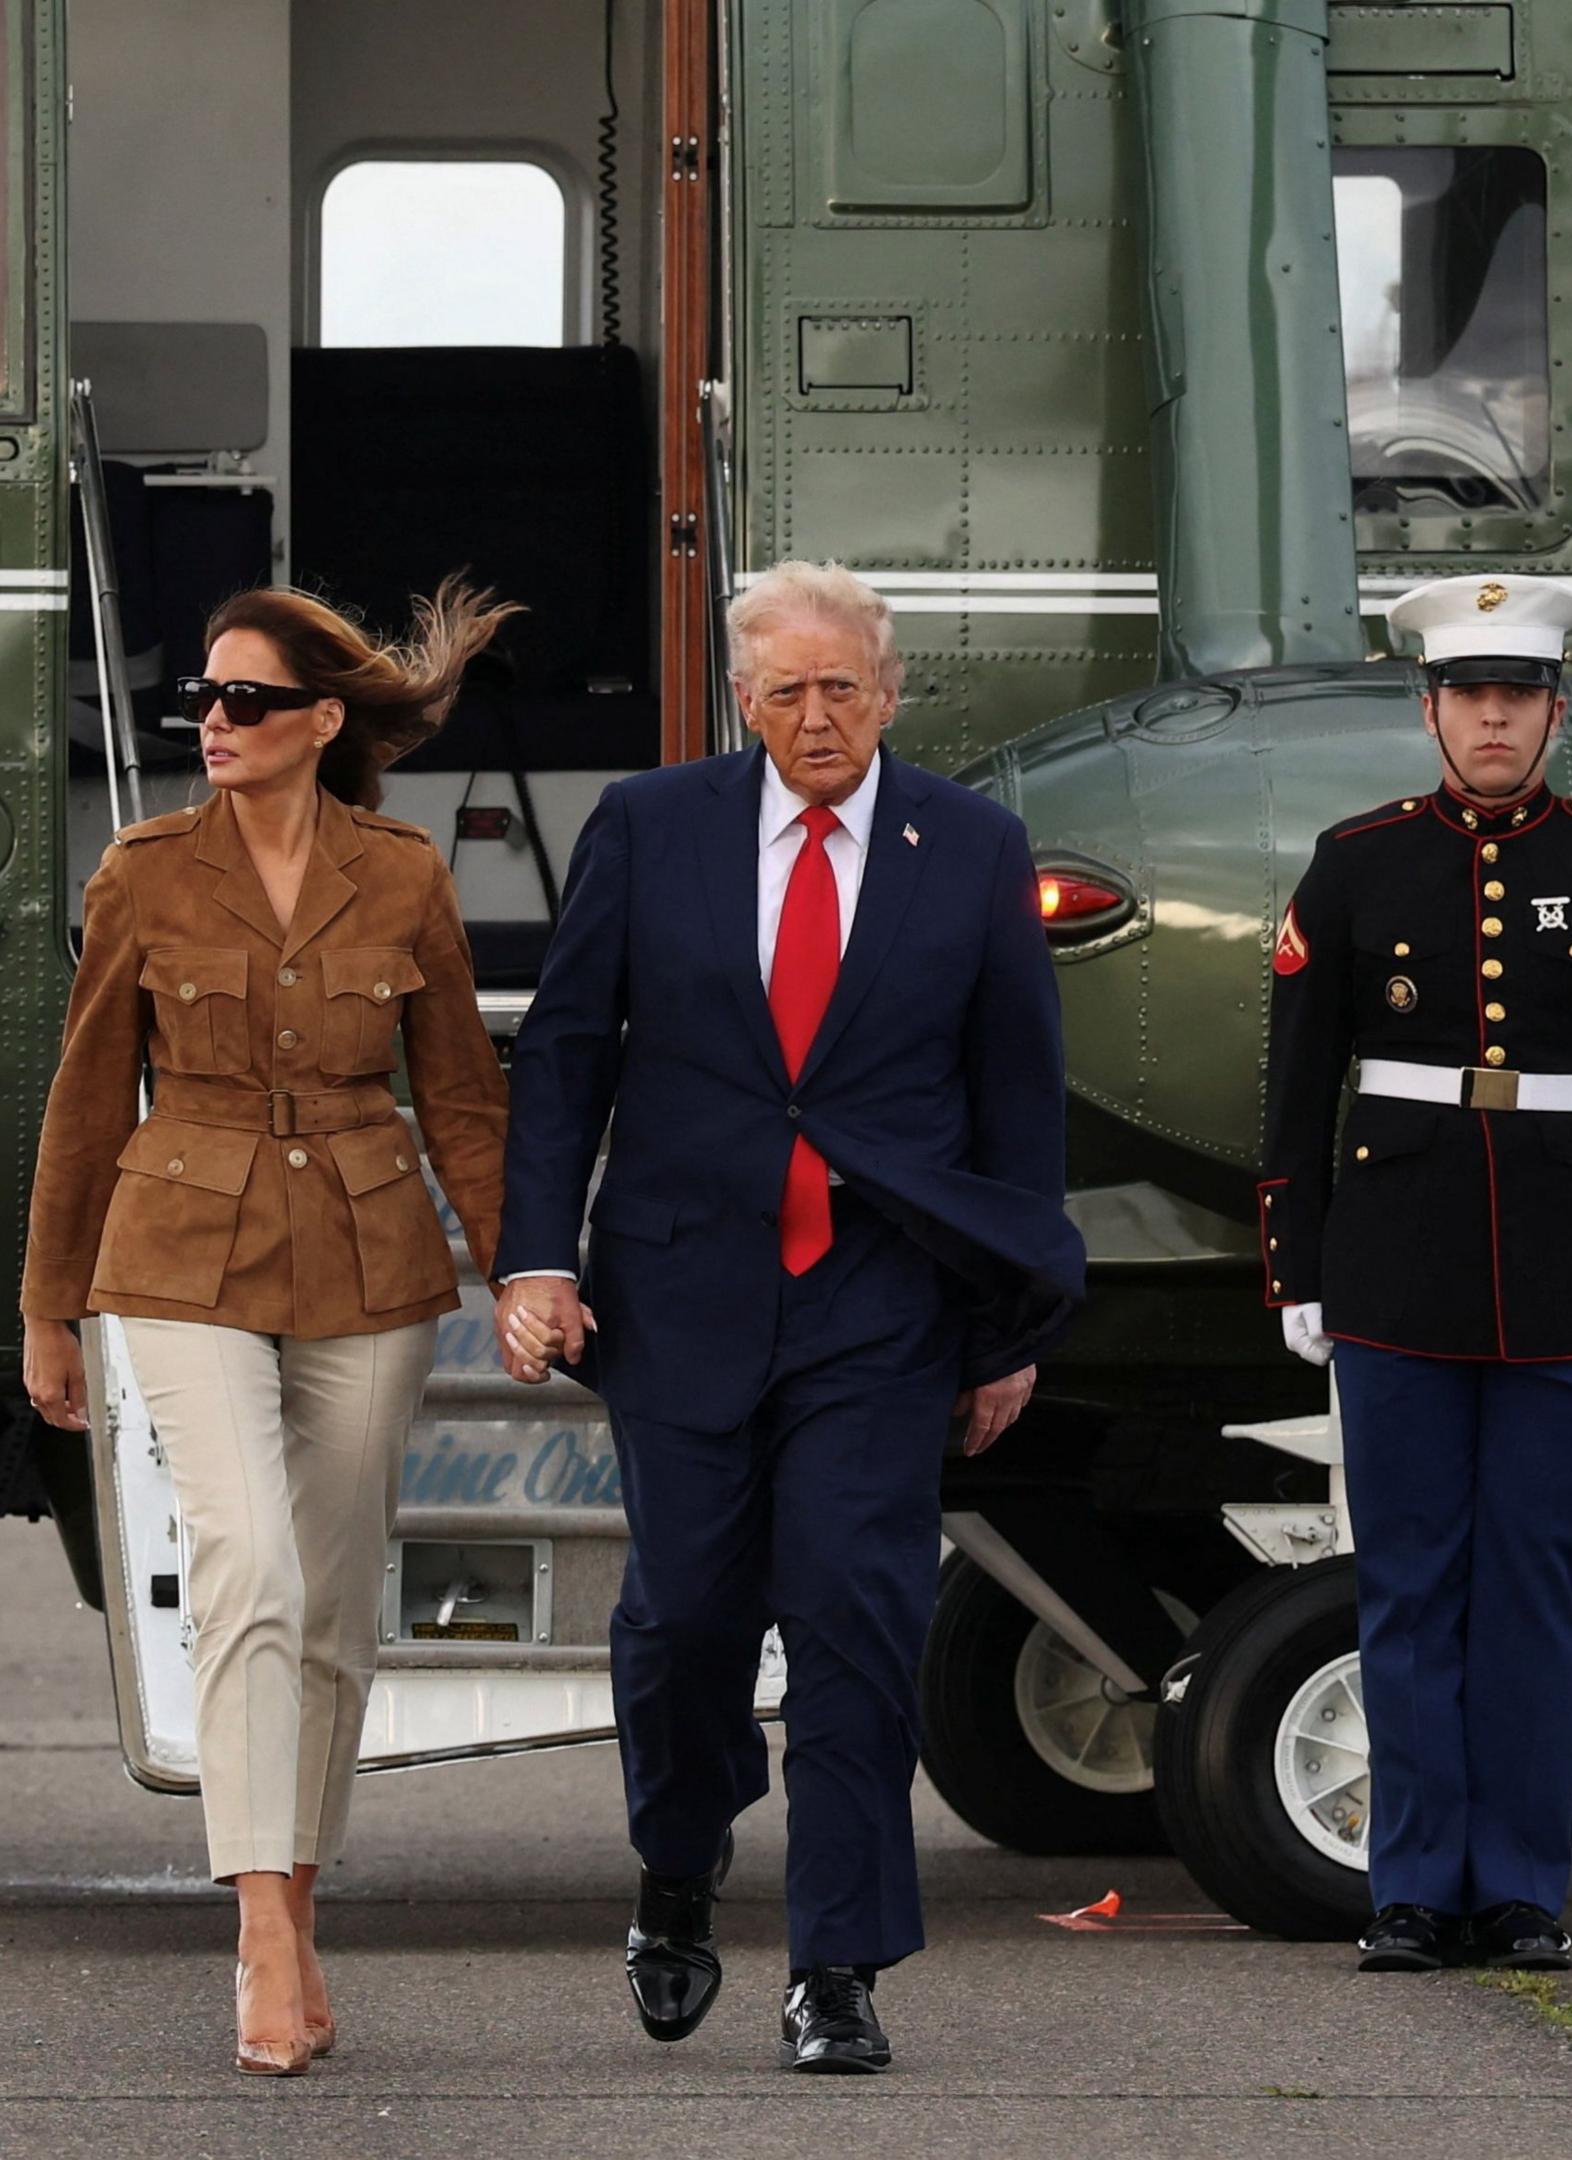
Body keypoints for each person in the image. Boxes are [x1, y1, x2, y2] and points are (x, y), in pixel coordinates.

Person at [493, 561, 1085, 2075]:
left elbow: (1016, 1104)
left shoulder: (968, 847)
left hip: (880, 1302)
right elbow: (565, 1055)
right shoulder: (652, 826)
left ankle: (837, 1965)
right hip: (679, 1288)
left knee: (854, 1619)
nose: (816, 718)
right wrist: (534, 1260)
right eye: (786, 691)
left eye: (843, 689)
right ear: (742, 697)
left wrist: (1008, 1325)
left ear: (889, 696)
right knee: (683, 1620)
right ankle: (678, 1868)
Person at [21, 582, 514, 2076]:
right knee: (245, 1560)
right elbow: (90, 1094)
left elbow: (464, 1097)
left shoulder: (405, 874)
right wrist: (49, 1307)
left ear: (321, 723)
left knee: (336, 1602)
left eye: (246, 702)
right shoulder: (147, 871)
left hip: (369, 1252)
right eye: (206, 703)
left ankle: (297, 1889)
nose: (215, 726)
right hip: (178, 1248)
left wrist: (528, 1269)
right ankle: (259, 1926)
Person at [1257, 572, 1572, 1975]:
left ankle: (1518, 1887)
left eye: (1518, 695)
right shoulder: (1356, 864)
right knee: (1404, 1583)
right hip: (1396, 1269)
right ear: (1431, 710)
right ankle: (1410, 1887)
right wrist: (1294, 1265)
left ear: (1554, 711)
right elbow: (1294, 1084)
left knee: (1529, 1588)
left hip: (1570, 1277)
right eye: (1471, 694)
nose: (1495, 718)